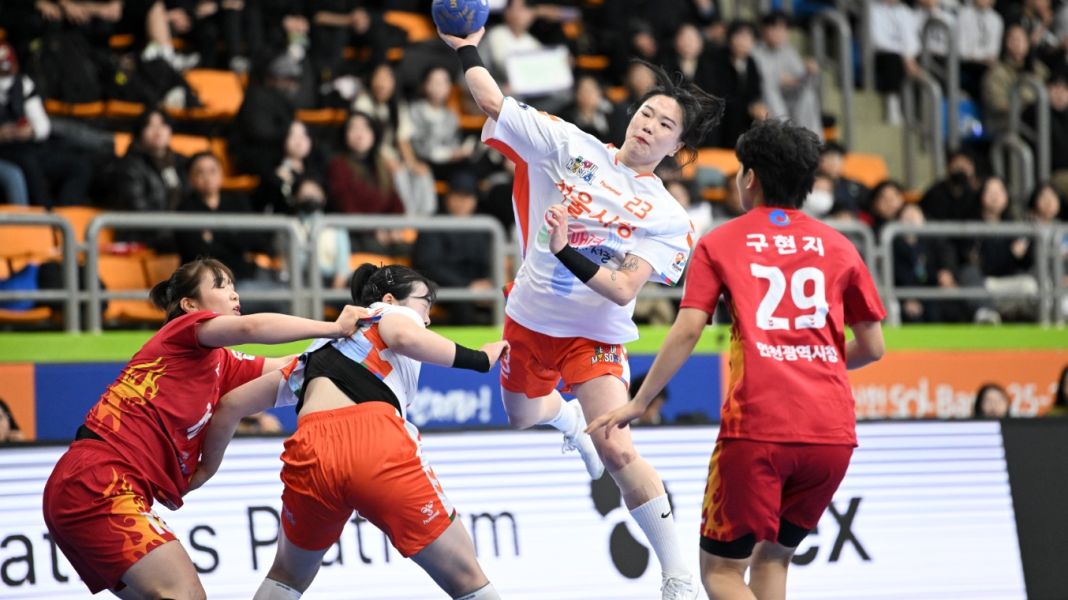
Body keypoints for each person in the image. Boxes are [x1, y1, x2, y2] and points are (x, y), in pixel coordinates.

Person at [442, 23, 724, 598]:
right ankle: (565, 418)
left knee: (616, 444)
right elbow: (492, 100)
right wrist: (466, 46)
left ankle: (678, 577)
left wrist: (566, 248)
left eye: (665, 125)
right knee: (521, 415)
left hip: (594, 335)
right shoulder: (570, 145)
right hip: (528, 319)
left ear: (677, 149)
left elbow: (622, 289)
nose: (649, 125)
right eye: (646, 113)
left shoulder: (668, 218)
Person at [587, 119, 886, 600]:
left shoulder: (722, 241)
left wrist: (640, 401)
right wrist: (811, 358)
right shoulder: (841, 246)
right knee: (774, 558)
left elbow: (688, 329)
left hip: (759, 428)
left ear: (750, 177)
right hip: (833, 434)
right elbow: (873, 347)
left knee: (722, 572)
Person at [41, 258, 364, 599]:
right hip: (98, 481)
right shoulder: (181, 332)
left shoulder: (223, 363)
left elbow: (294, 368)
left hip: (110, 489)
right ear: (190, 305)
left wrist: (362, 343)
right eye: (222, 286)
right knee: (186, 594)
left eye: (234, 287)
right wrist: (333, 327)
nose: (235, 295)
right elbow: (252, 329)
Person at [188, 264, 510, 600]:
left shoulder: (314, 352)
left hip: (309, 453)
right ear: (389, 299)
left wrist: (206, 469)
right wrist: (481, 359)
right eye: (424, 304)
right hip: (372, 439)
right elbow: (405, 336)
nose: (427, 319)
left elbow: (231, 405)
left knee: (287, 577)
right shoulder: (386, 313)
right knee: (467, 576)